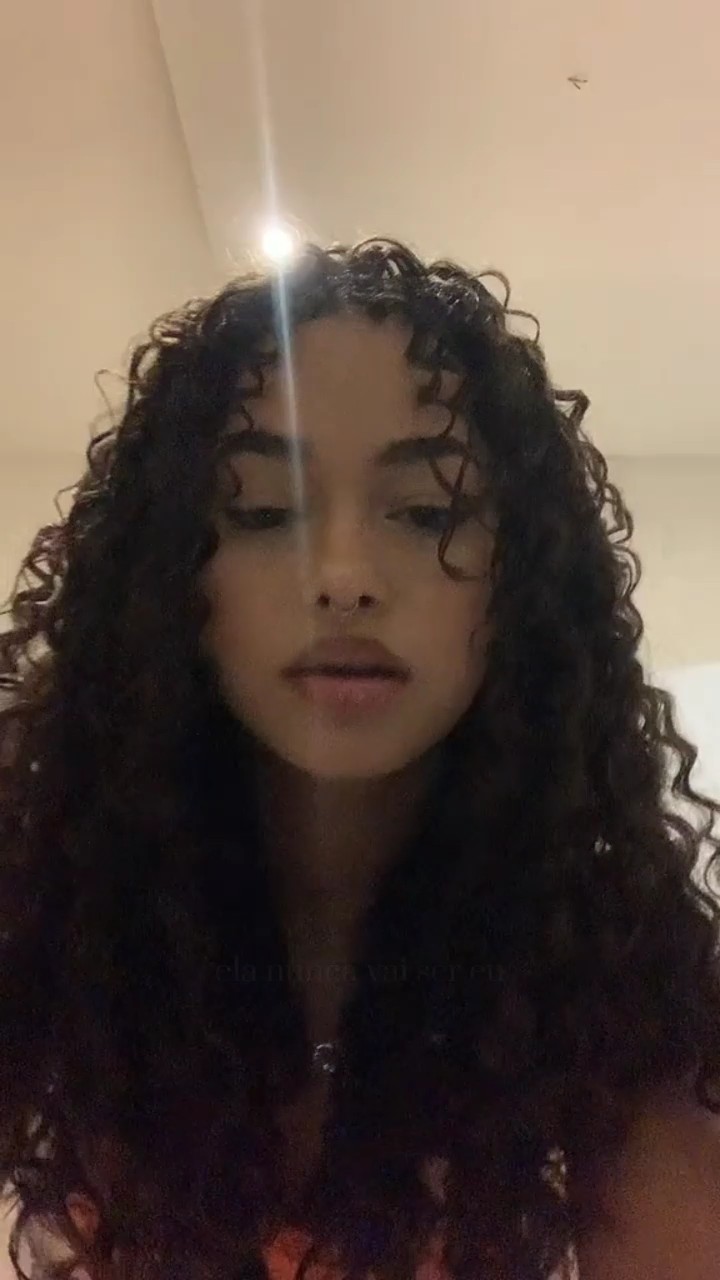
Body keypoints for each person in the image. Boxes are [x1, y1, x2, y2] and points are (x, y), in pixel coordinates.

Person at [0, 238, 719, 1280]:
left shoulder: (622, 1012)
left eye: (427, 512)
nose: (342, 575)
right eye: (261, 509)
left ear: (519, 582)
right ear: (168, 579)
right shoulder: (53, 930)